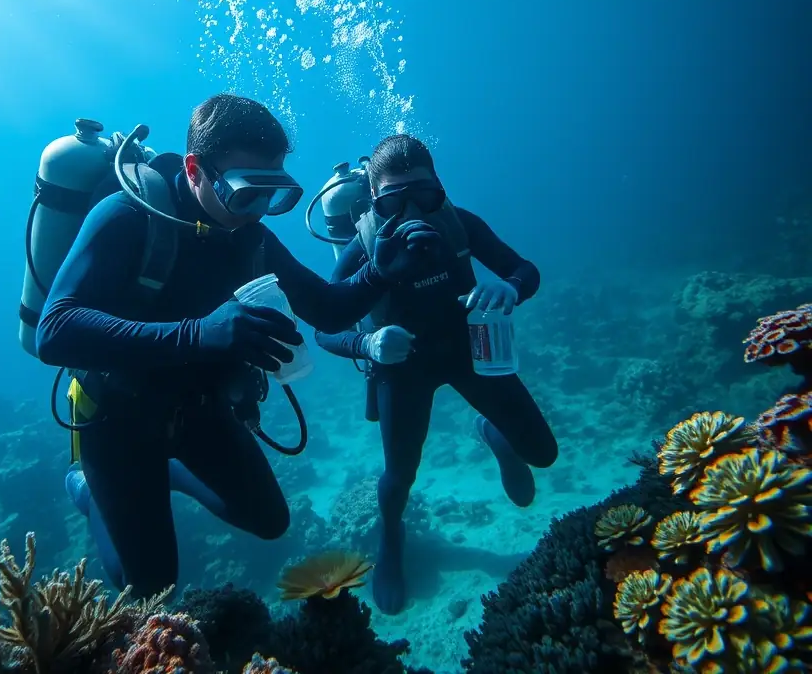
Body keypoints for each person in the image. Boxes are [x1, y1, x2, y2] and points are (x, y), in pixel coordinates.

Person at [35, 95, 440, 599]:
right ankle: (87, 490)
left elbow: (329, 308)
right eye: (246, 192)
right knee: (150, 585)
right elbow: (54, 330)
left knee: (270, 521)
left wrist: (381, 271)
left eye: (275, 194)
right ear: (194, 169)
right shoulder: (126, 216)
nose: (257, 212)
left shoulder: (251, 239)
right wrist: (197, 333)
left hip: (201, 410)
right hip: (118, 419)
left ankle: (171, 473)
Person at [313, 134, 558, 615]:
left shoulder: (459, 225)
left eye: (424, 196)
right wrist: (367, 344)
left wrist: (510, 288)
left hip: (469, 351)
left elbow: (524, 269)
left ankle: (495, 434)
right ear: (374, 197)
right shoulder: (364, 248)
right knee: (400, 475)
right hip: (400, 369)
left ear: (440, 189)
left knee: (544, 455)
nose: (413, 212)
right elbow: (324, 326)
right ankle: (391, 541)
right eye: (394, 200)